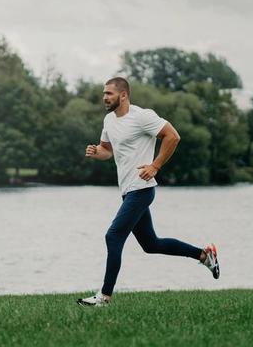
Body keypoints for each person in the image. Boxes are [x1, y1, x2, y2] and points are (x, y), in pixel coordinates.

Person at [77, 77, 219, 307]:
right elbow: (107, 151)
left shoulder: (142, 116)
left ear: (123, 95)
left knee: (113, 236)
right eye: (104, 93)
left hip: (141, 189)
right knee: (151, 244)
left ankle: (104, 297)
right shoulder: (108, 120)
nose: (105, 97)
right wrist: (96, 152)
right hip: (127, 190)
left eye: (109, 93)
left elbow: (173, 136)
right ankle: (204, 256)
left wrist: (155, 166)